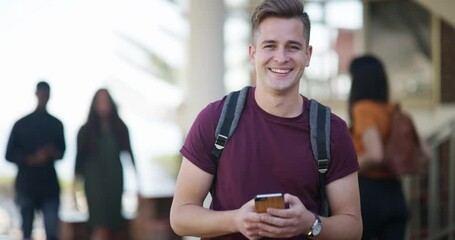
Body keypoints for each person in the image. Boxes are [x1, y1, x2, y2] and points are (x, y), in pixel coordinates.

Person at [170, 0, 362, 239]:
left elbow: (353, 228)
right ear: (253, 53)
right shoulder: (215, 119)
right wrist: (236, 220)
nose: (281, 58)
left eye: (292, 47)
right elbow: (180, 216)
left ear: (308, 54)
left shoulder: (332, 131)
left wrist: (309, 223)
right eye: (270, 46)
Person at [348, 55, 431, 240]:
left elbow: (376, 155)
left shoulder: (363, 109)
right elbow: (427, 154)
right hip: (395, 194)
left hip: (369, 194)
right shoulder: (393, 110)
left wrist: (345, 170)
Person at [5, 81, 66, 240]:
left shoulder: (56, 125)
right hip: (27, 186)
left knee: (51, 232)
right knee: (26, 231)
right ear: (37, 94)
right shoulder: (21, 125)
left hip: (48, 186)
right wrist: (30, 159)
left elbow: (62, 152)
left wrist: (51, 153)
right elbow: (9, 154)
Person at [74, 88, 135, 240]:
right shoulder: (85, 131)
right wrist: (74, 191)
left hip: (114, 180)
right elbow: (78, 162)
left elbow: (130, 155)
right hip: (94, 183)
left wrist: (139, 186)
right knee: (98, 223)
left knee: (113, 223)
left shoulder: (120, 128)